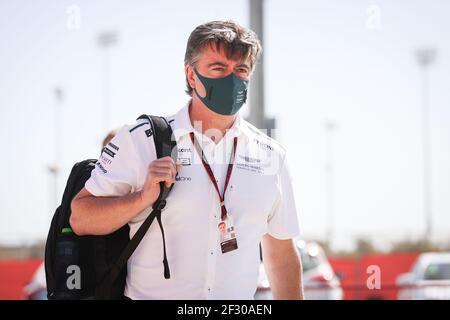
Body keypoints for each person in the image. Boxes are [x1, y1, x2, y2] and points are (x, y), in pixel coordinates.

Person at [70, 20, 303, 300]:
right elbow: (81, 217)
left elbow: (282, 256)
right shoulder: (141, 139)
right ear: (191, 76)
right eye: (218, 68)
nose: (232, 79)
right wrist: (142, 198)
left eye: (241, 70)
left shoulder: (271, 155)